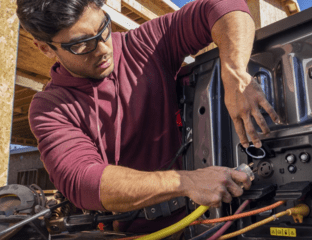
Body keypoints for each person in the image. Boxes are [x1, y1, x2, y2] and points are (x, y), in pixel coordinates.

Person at [16, 0, 280, 233]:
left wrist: (234, 72)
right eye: (81, 44)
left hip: (218, 218)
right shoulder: (50, 107)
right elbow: (84, 181)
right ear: (46, 48)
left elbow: (221, 6)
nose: (103, 49)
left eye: (103, 28)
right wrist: (187, 182)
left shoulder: (143, 46)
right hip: (144, 232)